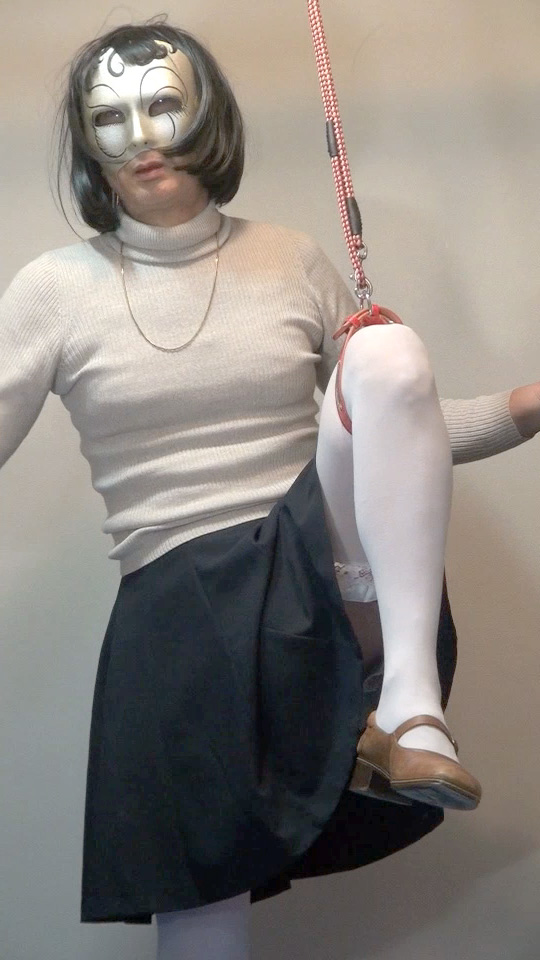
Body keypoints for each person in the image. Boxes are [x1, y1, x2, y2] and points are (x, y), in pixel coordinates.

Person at [1, 16, 538, 960]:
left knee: (385, 353)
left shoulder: (290, 258)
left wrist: (524, 408)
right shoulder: (54, 289)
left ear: (207, 113)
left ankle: (410, 706)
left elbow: (396, 419)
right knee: (202, 911)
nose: (141, 136)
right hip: (177, 615)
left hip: (309, 570)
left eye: (164, 104)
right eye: (109, 117)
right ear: (87, 140)